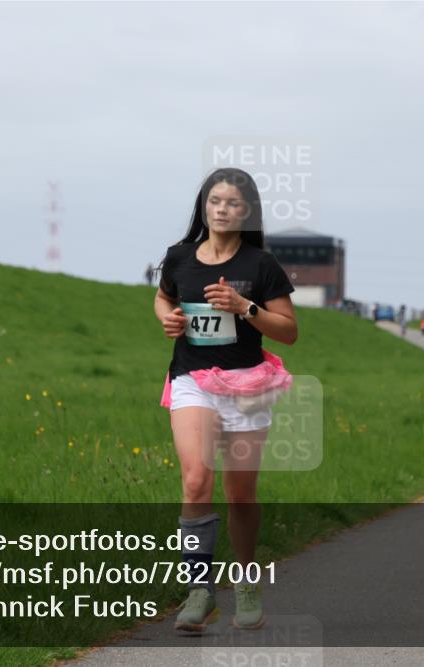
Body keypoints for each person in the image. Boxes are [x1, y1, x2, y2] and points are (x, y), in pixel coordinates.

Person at [154, 168, 297, 633]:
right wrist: (170, 319)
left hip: (248, 387)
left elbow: (289, 331)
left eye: (233, 203)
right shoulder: (179, 258)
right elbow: (162, 299)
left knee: (240, 494)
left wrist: (245, 308)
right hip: (192, 379)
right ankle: (199, 591)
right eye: (215, 200)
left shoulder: (261, 266)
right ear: (203, 205)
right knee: (196, 479)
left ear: (246, 211)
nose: (222, 209)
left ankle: (247, 582)